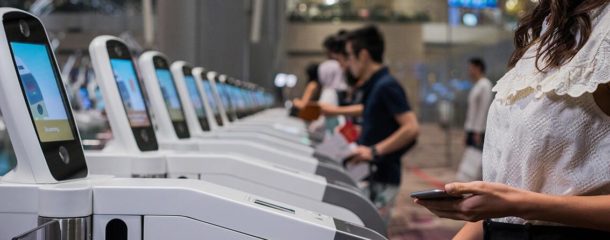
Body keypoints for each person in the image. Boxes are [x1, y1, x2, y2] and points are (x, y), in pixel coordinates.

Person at [416, 1, 610, 239]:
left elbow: (515, 205)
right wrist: (498, 207)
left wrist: (519, 204)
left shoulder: (604, 36)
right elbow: (504, 214)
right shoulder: (544, 31)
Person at [323, 25, 420, 211]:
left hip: (382, 176)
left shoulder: (386, 85)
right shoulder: (374, 86)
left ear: (364, 55)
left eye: (350, 56)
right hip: (371, 174)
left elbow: (411, 128)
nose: (347, 63)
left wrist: (374, 151)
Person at [456, 58, 493, 181]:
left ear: (478, 68)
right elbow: (472, 112)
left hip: (479, 130)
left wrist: (478, 130)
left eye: (471, 68)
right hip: (472, 129)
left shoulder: (485, 85)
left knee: (479, 160)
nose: (469, 71)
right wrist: (467, 131)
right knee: (472, 160)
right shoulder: (477, 85)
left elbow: (484, 109)